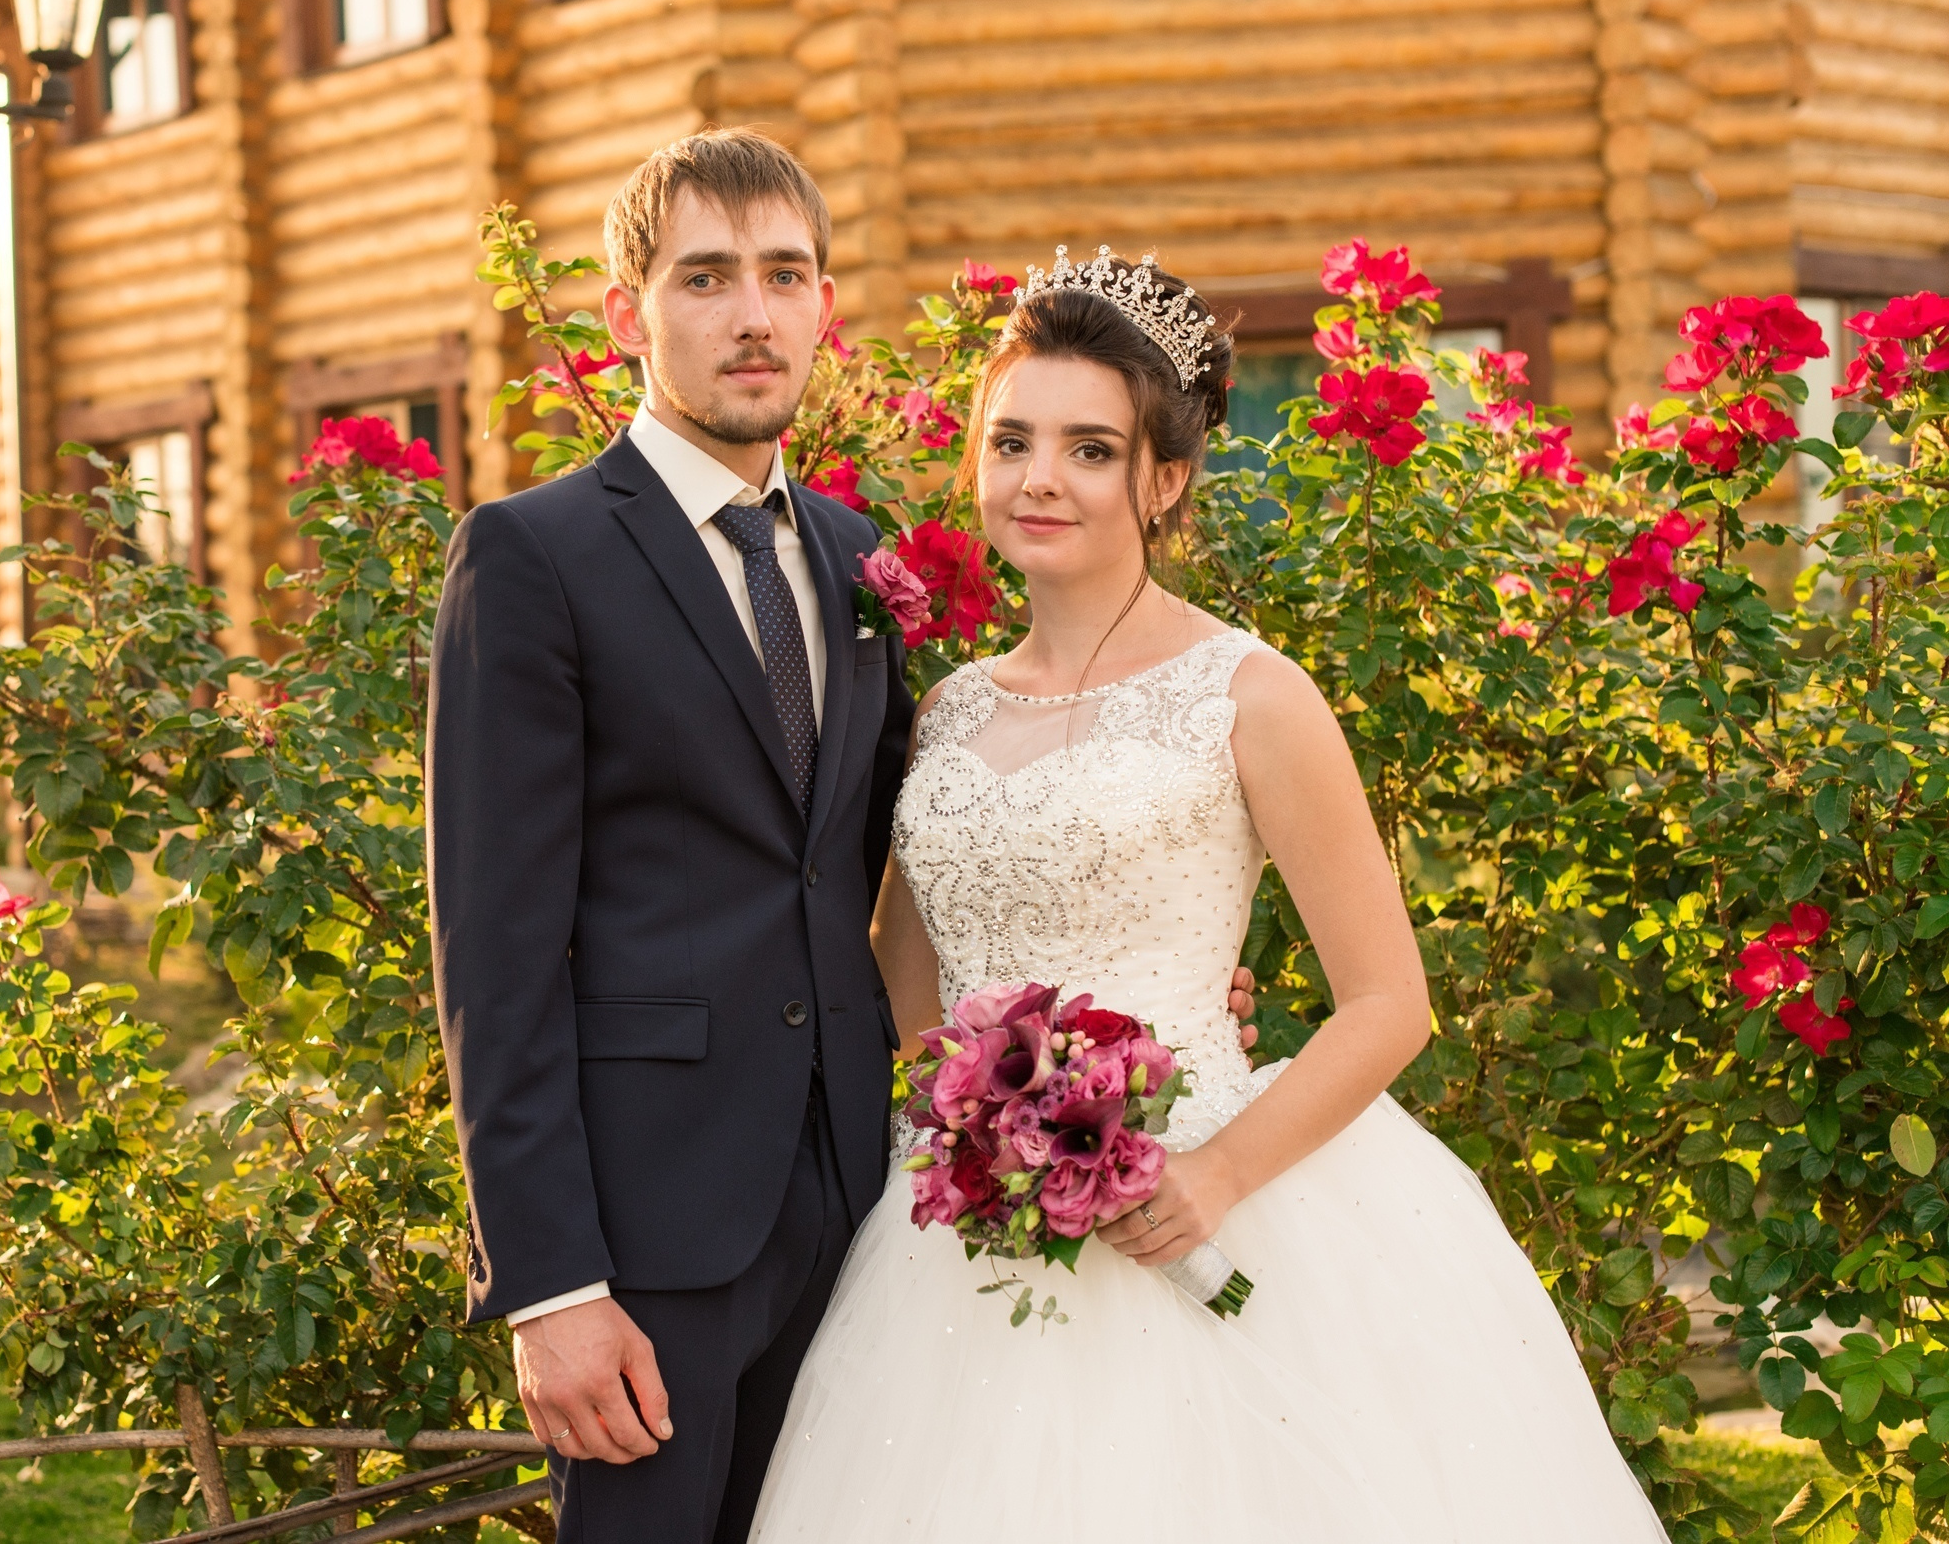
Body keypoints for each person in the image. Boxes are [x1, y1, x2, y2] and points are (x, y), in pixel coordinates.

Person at [747, 251, 1672, 1541]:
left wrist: (1215, 1175)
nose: (1040, 478)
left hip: (1207, 1187)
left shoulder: (1251, 694)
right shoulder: (945, 712)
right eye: (1011, 440)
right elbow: (908, 1000)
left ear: (1164, 476)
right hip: (963, 1236)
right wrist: (972, 1130)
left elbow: (1388, 1003)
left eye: (1088, 447)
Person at [427, 141, 1257, 1543]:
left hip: (858, 1210)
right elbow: (492, 955)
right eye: (705, 278)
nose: (751, 314)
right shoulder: (532, 558)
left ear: (824, 305)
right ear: (631, 314)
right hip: (645, 1241)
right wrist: (551, 1284)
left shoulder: (849, 554)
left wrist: (1136, 986)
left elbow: (910, 857)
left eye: (782, 275)